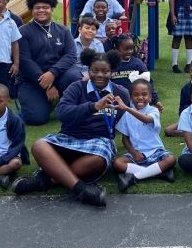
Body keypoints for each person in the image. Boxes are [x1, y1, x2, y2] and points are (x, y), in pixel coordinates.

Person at [12, 49, 131, 206]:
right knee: (39, 146)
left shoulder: (121, 93)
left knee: (100, 158)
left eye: (105, 71)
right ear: (88, 69)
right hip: (70, 138)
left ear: (112, 72)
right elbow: (62, 113)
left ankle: (46, 180)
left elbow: (127, 122)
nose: (100, 75)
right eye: (94, 70)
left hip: (98, 142)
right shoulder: (76, 87)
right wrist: (93, 106)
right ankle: (81, 189)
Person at [17, 0, 81, 125]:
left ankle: (66, 103)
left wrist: (53, 73)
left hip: (59, 76)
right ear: (31, 10)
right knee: (36, 118)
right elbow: (24, 61)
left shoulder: (63, 30)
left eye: (45, 7)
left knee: (74, 75)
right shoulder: (23, 31)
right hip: (32, 80)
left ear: (52, 9)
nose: (41, 11)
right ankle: (46, 101)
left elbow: (71, 55)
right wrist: (47, 85)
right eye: (37, 8)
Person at [113, 78, 176, 192]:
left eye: (144, 94)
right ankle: (157, 172)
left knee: (171, 159)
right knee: (117, 164)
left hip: (155, 151)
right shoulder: (127, 115)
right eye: (136, 95)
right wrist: (134, 153)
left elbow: (147, 120)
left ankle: (134, 177)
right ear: (131, 97)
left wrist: (127, 108)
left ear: (150, 97)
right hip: (137, 154)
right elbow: (125, 139)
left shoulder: (154, 111)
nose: (140, 97)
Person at [106, 34, 162, 110]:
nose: (129, 51)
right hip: (114, 101)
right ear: (117, 48)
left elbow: (148, 82)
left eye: (131, 49)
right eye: (126, 49)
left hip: (134, 103)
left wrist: (156, 101)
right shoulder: (111, 63)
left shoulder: (138, 64)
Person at [164, 58, 192, 137]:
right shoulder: (186, 88)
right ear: (189, 71)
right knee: (168, 130)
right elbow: (182, 108)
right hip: (189, 118)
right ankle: (191, 132)